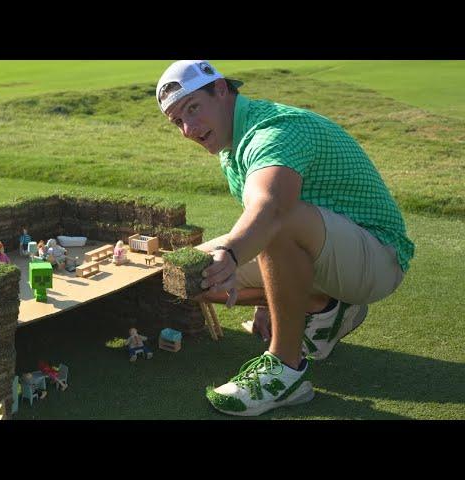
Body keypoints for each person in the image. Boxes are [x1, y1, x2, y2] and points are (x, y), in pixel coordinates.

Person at [155, 60, 415, 416]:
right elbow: (263, 223)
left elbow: (272, 208)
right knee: (189, 275)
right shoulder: (232, 142)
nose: (188, 128)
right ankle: (324, 309)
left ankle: (285, 369)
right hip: (328, 252)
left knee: (280, 220)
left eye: (193, 108)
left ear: (220, 90)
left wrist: (231, 256)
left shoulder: (273, 130)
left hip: (378, 259)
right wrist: (267, 299)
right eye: (178, 121)